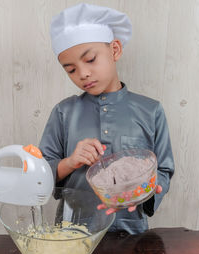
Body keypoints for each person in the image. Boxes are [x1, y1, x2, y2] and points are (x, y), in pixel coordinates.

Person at [39, 3, 174, 234]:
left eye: (90, 59)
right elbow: (40, 173)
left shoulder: (150, 111)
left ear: (115, 50)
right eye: (71, 70)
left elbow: (163, 169)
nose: (83, 74)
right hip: (72, 232)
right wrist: (71, 161)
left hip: (130, 231)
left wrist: (149, 190)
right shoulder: (64, 112)